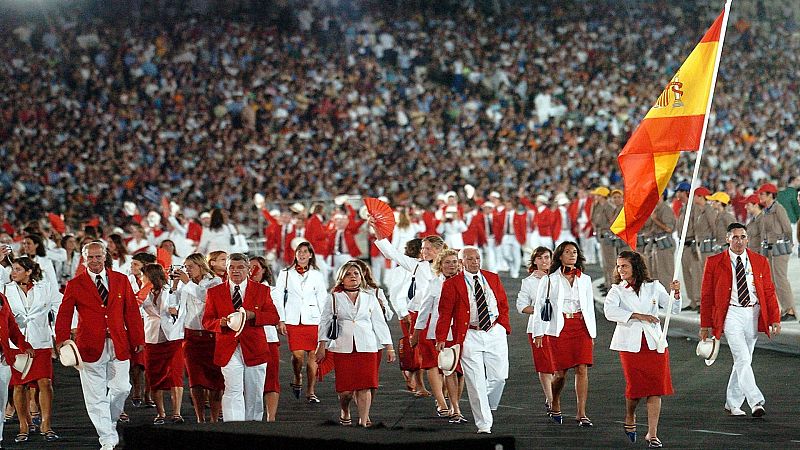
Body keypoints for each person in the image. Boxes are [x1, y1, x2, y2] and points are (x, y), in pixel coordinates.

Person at [55, 241, 145, 450]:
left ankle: (110, 423)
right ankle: (107, 438)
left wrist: (138, 339)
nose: (94, 261)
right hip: (88, 346)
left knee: (123, 388)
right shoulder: (75, 284)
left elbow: (131, 311)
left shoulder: (121, 280)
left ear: (105, 256)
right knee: (95, 396)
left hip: (119, 343)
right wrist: (61, 341)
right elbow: (65, 314)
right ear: (84, 258)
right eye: (90, 257)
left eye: (98, 256)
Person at [700, 223, 781, 417]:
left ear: (748, 239)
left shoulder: (759, 261)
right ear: (727, 239)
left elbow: (769, 292)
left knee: (743, 361)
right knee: (743, 358)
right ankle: (756, 401)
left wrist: (775, 318)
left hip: (752, 314)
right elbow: (706, 295)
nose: (739, 241)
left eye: (742, 237)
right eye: (735, 237)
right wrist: (705, 324)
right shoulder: (714, 262)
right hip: (731, 314)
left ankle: (732, 402)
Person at [604, 251, 682, 449]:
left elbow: (673, 308)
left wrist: (677, 293)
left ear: (635, 267)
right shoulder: (617, 290)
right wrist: (637, 315)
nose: (620, 270)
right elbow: (609, 312)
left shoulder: (653, 286)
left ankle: (652, 433)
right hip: (630, 346)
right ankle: (630, 415)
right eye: (618, 266)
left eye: (625, 266)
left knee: (656, 389)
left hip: (654, 343)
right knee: (635, 388)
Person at [436, 246, 511, 434]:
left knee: (500, 377)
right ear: (462, 263)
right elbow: (444, 314)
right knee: (475, 381)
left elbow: (502, 303)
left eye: (477, 258)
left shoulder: (492, 278)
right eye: (469, 259)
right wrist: (441, 338)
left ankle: (485, 402)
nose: (475, 261)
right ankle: (484, 424)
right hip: (469, 335)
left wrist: (503, 325)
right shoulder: (452, 284)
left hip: (494, 331)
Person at [316, 261, 395, 427]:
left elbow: (379, 322)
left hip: (367, 346)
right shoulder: (333, 298)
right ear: (341, 279)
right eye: (348, 274)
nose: (353, 277)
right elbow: (324, 321)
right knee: (345, 391)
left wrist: (389, 347)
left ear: (361, 277)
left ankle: (364, 419)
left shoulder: (370, 297)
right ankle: (345, 410)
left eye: (356, 274)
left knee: (365, 385)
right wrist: (321, 345)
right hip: (342, 347)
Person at [202, 253, 280, 422]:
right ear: (227, 270)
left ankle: (253, 427)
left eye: (240, 267)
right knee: (232, 390)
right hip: (228, 348)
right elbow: (207, 321)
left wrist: (254, 315)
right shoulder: (214, 292)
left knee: (255, 392)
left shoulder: (262, 290)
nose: (235, 271)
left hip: (255, 349)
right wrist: (220, 323)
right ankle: (234, 427)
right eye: (231, 267)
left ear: (248, 269)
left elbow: (274, 317)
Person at [531, 241, 597, 427]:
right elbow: (539, 308)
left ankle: (581, 413)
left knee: (582, 368)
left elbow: (589, 307)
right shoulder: (550, 279)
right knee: (560, 373)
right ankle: (555, 402)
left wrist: (592, 332)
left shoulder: (585, 279)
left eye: (574, 252)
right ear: (560, 256)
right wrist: (538, 332)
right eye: (567, 252)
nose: (572, 255)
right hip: (558, 327)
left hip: (581, 326)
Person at [4, 256, 62, 442]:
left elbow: (59, 305)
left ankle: (46, 424)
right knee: (19, 385)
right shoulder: (5, 289)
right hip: (16, 344)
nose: (13, 272)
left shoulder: (44, 287)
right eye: (12, 269)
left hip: (41, 342)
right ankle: (24, 425)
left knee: (45, 382)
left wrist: (63, 332)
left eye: (17, 269)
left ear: (28, 272)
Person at [413, 248, 466, 422]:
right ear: (440, 265)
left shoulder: (467, 282)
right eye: (447, 262)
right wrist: (417, 331)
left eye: (454, 261)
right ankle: (449, 405)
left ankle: (454, 403)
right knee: (444, 367)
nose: (451, 265)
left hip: (461, 332)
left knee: (459, 371)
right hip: (439, 332)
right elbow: (425, 309)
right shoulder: (434, 284)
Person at [274, 241, 327, 403]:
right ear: (295, 254)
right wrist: (281, 319)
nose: (302, 254)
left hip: (313, 318)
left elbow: (322, 297)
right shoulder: (285, 273)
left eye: (305, 251)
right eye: (299, 251)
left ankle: (310, 391)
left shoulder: (317, 274)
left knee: (313, 356)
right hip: (293, 318)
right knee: (297, 356)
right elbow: (277, 296)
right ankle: (297, 377)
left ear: (311, 255)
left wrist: (324, 321)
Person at [174, 253, 223, 423]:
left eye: (190, 266)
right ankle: (200, 419)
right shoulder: (184, 284)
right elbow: (174, 304)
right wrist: (174, 286)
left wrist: (187, 282)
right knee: (195, 381)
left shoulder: (214, 281)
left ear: (200, 266)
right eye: (185, 267)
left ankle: (215, 419)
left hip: (210, 338)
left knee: (215, 381)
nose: (187, 270)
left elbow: (206, 297)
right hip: (191, 338)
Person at [140, 263, 186, 425]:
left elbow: (184, 307)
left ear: (151, 276)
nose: (141, 279)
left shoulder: (172, 290)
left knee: (175, 375)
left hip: (172, 336)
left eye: (143, 276)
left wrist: (178, 312)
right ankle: (160, 413)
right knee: (154, 376)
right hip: (152, 338)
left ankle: (176, 413)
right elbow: (135, 307)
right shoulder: (143, 293)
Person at [516, 246, 555, 413]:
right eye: (540, 258)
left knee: (557, 366)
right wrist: (540, 309)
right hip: (537, 327)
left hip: (557, 327)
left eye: (547, 257)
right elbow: (521, 306)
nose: (544, 261)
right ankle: (551, 399)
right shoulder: (528, 281)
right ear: (534, 261)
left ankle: (554, 396)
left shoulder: (559, 278)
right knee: (544, 365)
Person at [249, 255, 286, 422]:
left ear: (264, 270)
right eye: (248, 267)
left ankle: (271, 418)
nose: (252, 270)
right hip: (248, 341)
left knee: (270, 379)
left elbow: (278, 312)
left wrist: (281, 322)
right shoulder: (240, 290)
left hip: (268, 339)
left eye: (256, 267)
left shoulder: (271, 290)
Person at [755, 183, 796, 321]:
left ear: (770, 195)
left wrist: (787, 242)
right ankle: (785, 308)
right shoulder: (766, 210)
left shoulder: (778, 209)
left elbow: (787, 228)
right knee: (774, 280)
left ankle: (790, 309)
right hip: (771, 248)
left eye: (762, 194)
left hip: (780, 248)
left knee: (781, 279)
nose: (759, 196)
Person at [0, 287, 34, 449]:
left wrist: (23, 344)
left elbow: (12, 327)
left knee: (1, 402)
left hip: (3, 359)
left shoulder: (1, 298)